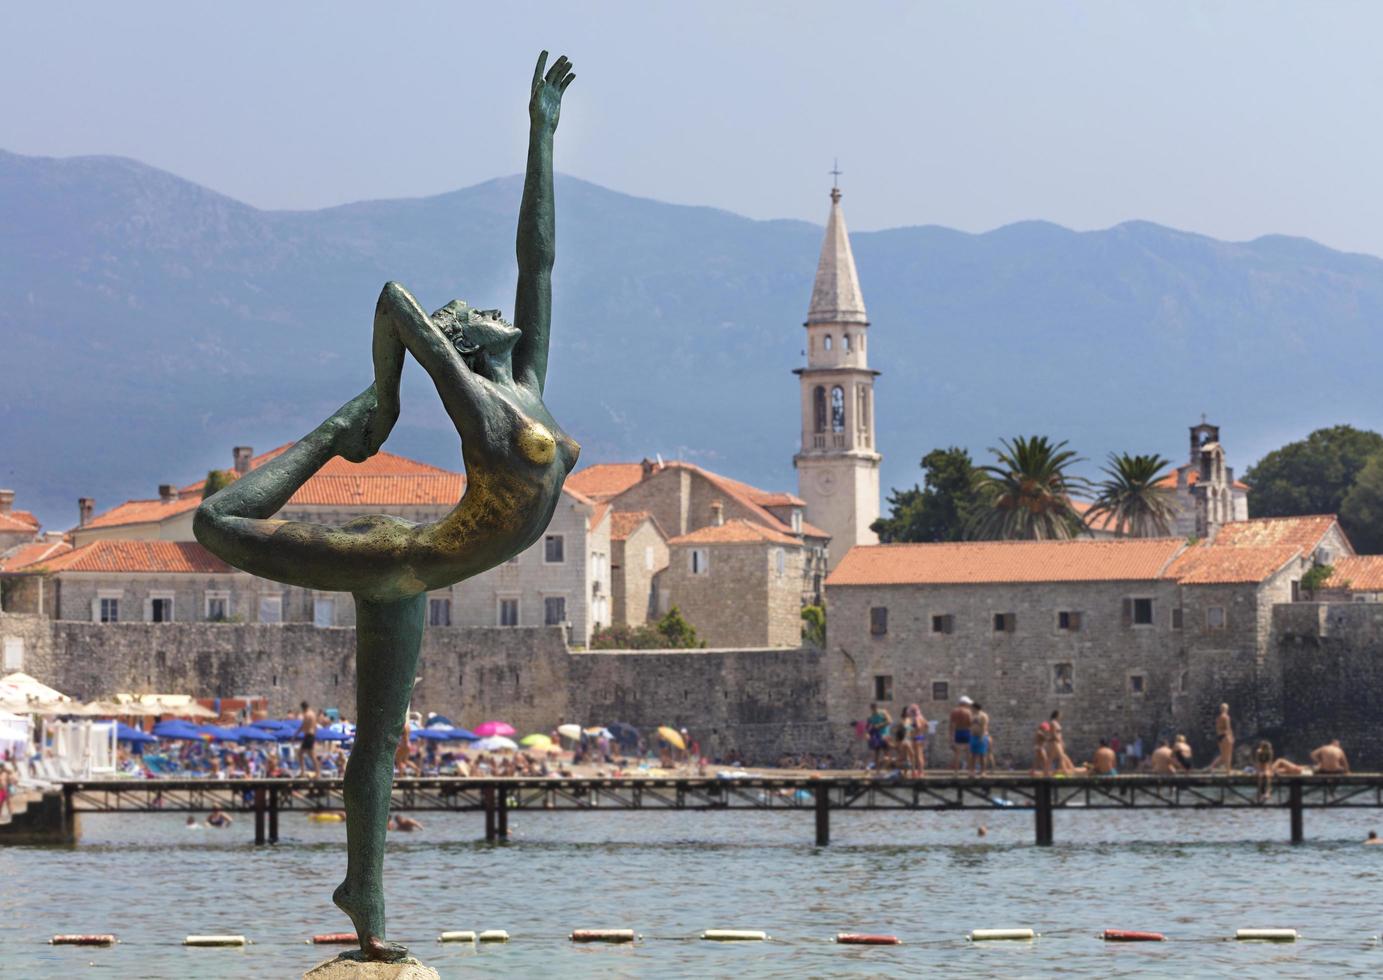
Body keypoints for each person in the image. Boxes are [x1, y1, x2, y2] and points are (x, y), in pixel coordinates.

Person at [191, 50, 581, 965]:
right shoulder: (484, 407)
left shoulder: (524, 380)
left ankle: (362, 894)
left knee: (379, 745)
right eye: (473, 311)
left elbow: (541, 257)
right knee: (215, 525)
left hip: (414, 567)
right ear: (463, 341)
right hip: (396, 560)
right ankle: (337, 432)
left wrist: (542, 133)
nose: (497, 307)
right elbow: (394, 301)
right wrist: (385, 396)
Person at [950, 697, 973, 772]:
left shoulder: (954, 712)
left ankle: (956, 772)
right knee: (968, 753)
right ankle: (970, 772)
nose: (969, 705)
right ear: (964, 703)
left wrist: (951, 738)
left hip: (957, 732)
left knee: (957, 753)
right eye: (968, 704)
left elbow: (952, 725)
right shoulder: (968, 712)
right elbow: (970, 723)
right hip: (966, 732)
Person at [865, 703, 892, 769]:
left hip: (885, 735)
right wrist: (867, 734)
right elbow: (867, 727)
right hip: (876, 737)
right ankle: (877, 771)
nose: (874, 710)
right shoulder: (870, 717)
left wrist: (879, 725)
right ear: (871, 709)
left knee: (886, 753)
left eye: (875, 709)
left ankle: (888, 769)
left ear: (876, 708)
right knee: (876, 753)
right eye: (872, 709)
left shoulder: (883, 713)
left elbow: (890, 721)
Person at [298, 701, 320, 778]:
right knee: (311, 755)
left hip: (308, 735)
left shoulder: (307, 714)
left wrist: (296, 734)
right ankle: (317, 772)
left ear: (303, 708)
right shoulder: (313, 714)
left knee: (301, 753)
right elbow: (315, 727)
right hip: (311, 735)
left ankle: (303, 772)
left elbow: (303, 725)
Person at [968, 703, 991, 775]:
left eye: (972, 708)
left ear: (975, 708)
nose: (971, 709)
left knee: (982, 755)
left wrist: (981, 737)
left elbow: (984, 727)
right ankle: (972, 771)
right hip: (973, 737)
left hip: (981, 737)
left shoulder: (983, 715)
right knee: (973, 755)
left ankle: (983, 771)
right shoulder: (972, 715)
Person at [1211, 703, 1234, 774]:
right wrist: (1231, 737)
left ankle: (1212, 766)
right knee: (1228, 754)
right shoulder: (1226, 717)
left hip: (1220, 737)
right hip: (1225, 736)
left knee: (1223, 755)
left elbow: (1218, 728)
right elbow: (1228, 728)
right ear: (1226, 709)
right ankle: (1228, 770)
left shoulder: (1218, 718)